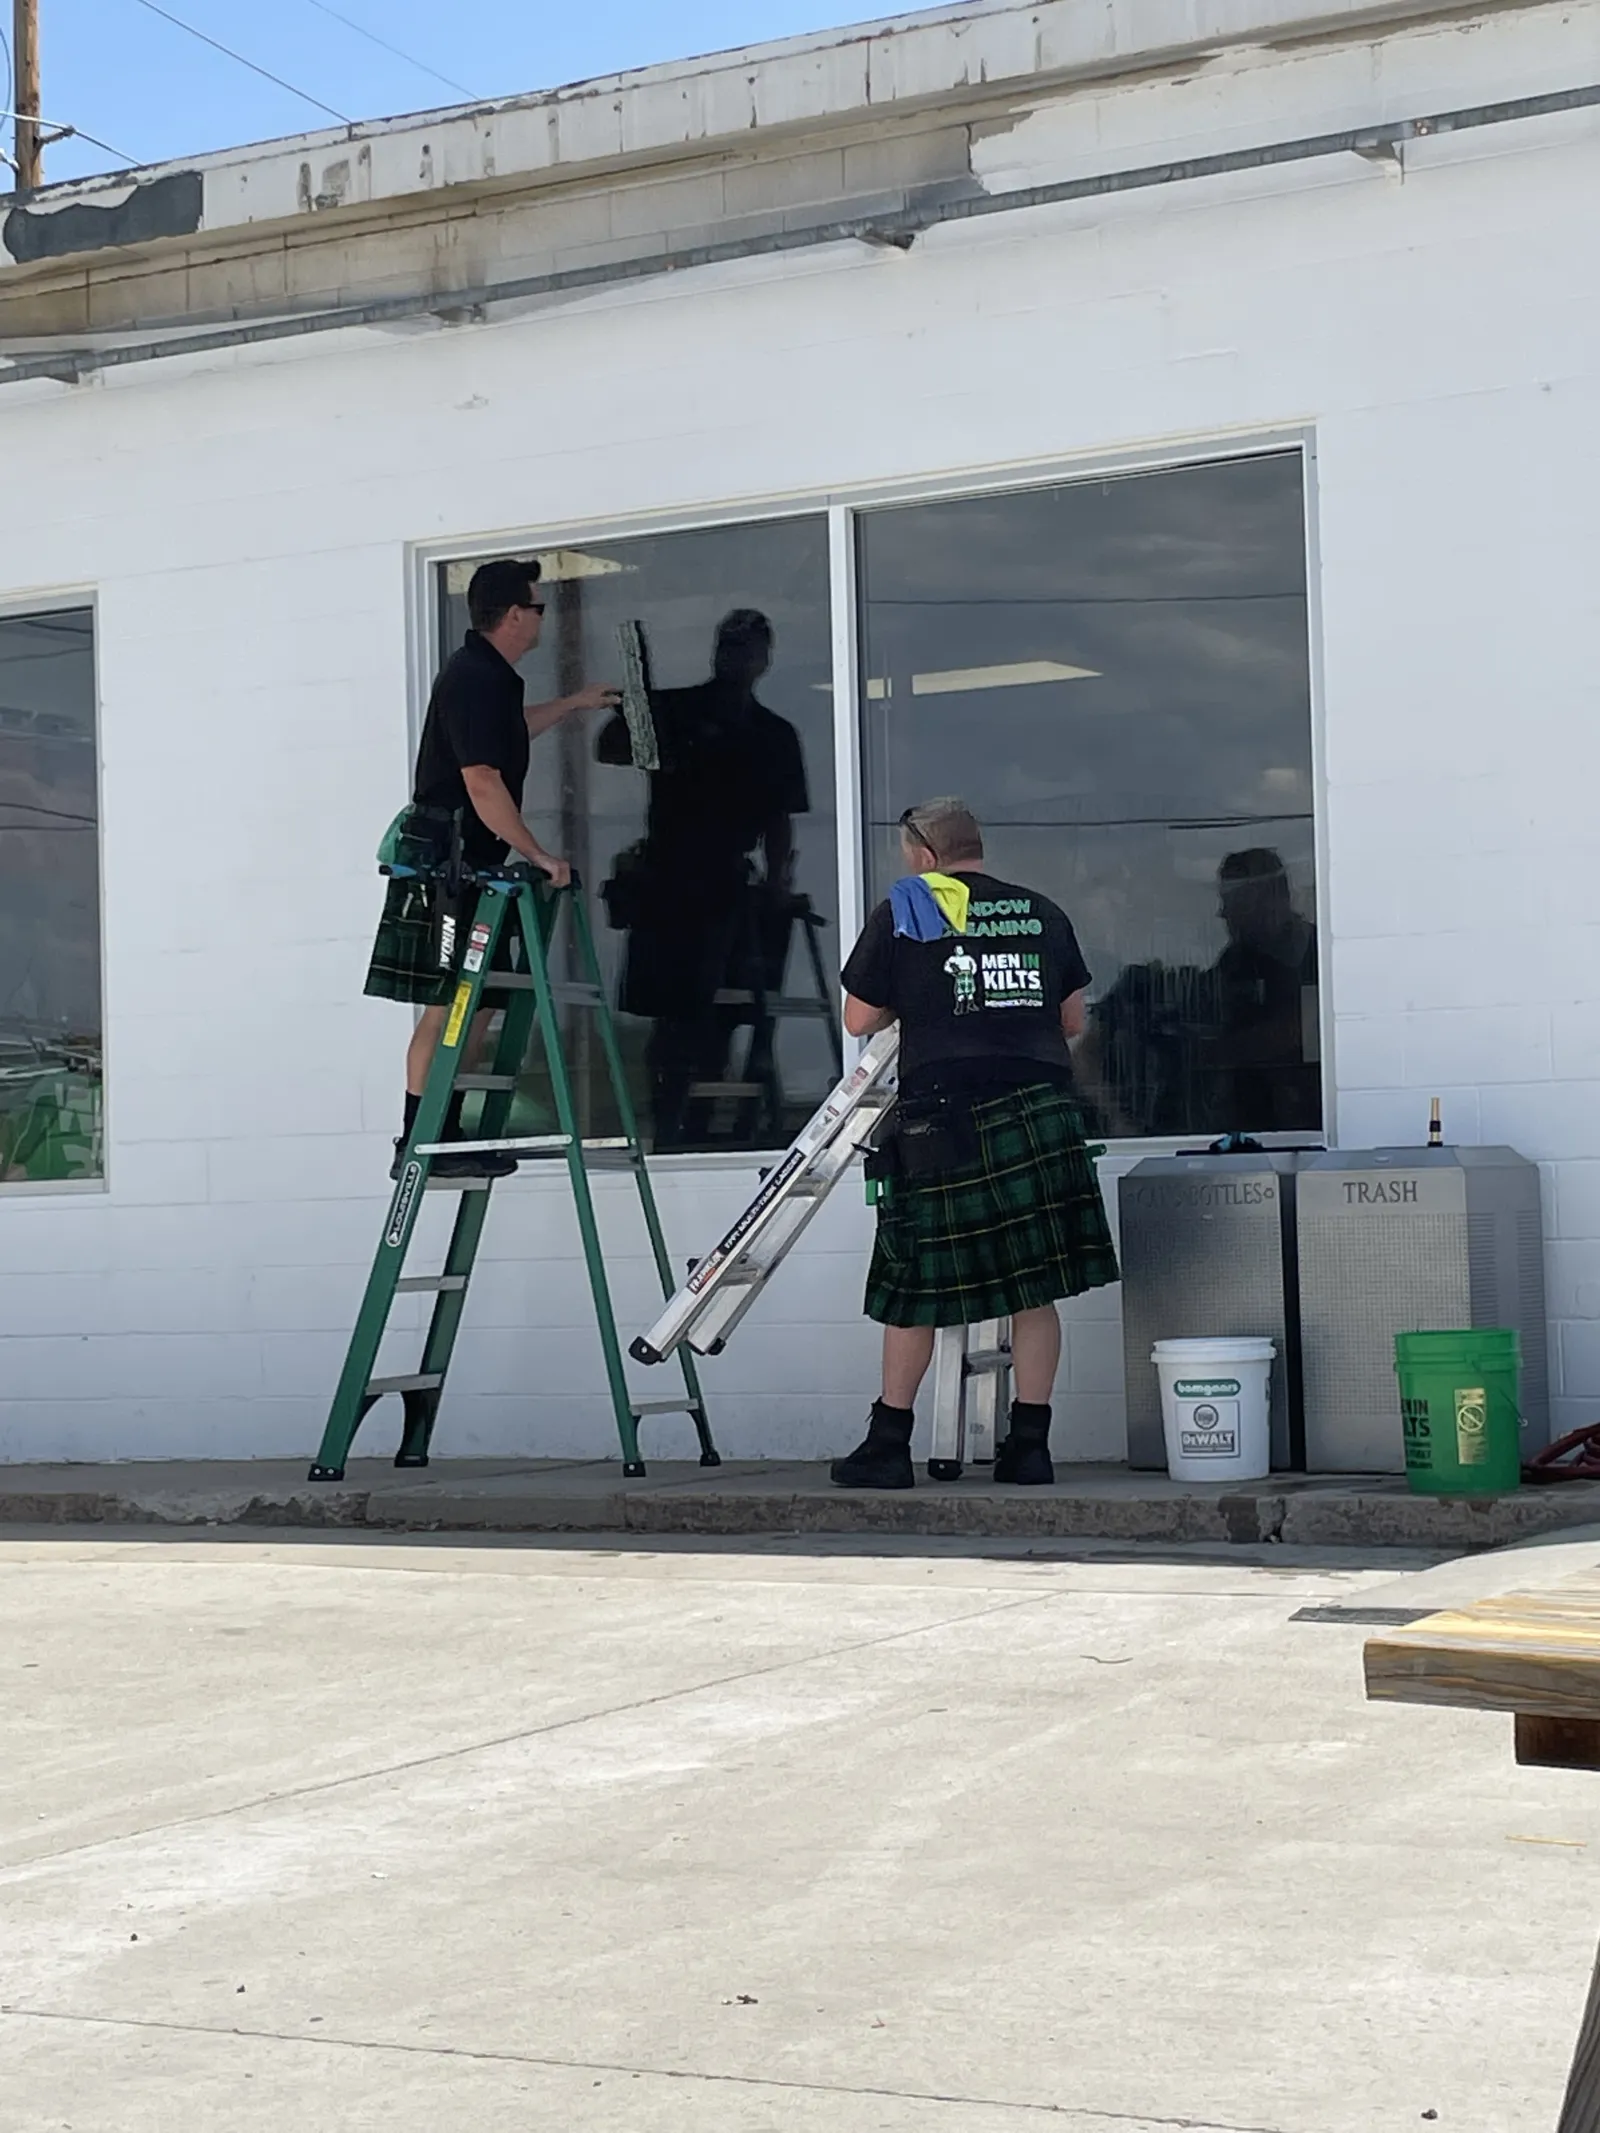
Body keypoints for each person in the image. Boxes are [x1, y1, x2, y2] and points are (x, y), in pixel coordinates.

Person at [831, 798, 1119, 1490]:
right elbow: (1072, 1018)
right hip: (1041, 1110)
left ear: (925, 857)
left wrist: (921, 993)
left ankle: (889, 1444)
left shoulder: (908, 907)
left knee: (915, 1285)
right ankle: (1029, 1447)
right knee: (1035, 1286)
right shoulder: (1041, 911)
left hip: (945, 1117)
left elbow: (858, 1018)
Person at [364, 557, 617, 1177]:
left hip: (471, 866)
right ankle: (419, 1140)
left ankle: (441, 1134)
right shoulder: (475, 677)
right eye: (537, 607)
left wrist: (574, 703)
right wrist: (535, 852)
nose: (541, 618)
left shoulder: (494, 679)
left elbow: (507, 735)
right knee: (448, 999)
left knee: (471, 1003)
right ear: (512, 615)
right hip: (450, 869)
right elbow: (480, 778)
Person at [597, 610, 809, 1151]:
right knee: (671, 1016)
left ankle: (698, 1127)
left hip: (724, 888)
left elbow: (780, 822)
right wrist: (637, 710)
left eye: (748, 649)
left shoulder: (772, 734)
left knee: (719, 1016)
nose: (737, 658)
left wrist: (779, 888)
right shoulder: (679, 710)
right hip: (668, 882)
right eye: (729, 646)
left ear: (763, 660)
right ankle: (667, 1124)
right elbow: (613, 746)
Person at [1209, 847, 1320, 1133]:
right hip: (1242, 1120)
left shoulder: (1315, 954)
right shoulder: (1235, 961)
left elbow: (1302, 1030)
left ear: (1266, 899)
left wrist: (1214, 1051)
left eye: (1231, 900)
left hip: (1303, 1126)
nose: (1223, 914)